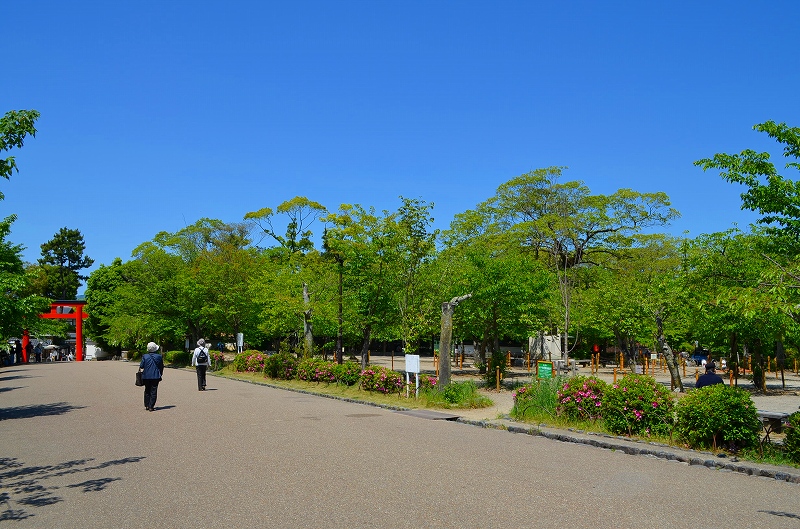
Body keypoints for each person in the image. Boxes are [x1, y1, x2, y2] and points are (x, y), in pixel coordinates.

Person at [139, 342, 164, 411]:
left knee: (147, 390)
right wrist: (160, 374)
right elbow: (161, 366)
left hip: (146, 376)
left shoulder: (145, 356)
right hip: (155, 376)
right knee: (154, 391)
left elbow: (141, 366)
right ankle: (151, 406)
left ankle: (146, 405)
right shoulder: (159, 356)